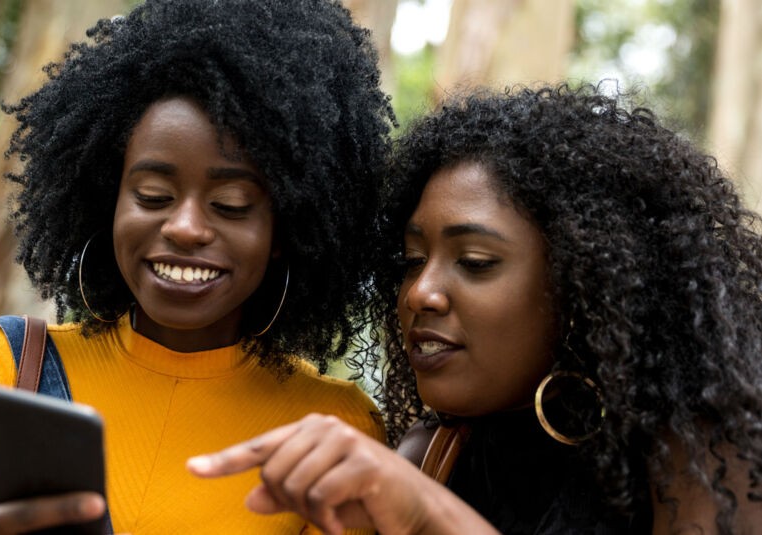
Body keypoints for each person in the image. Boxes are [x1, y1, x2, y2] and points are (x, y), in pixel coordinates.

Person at [0, 0, 395, 532]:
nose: (185, 227)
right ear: (107, 199)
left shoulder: (338, 431)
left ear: (285, 230)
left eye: (230, 204)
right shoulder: (3, 367)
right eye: (153, 195)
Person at [188, 83, 762, 534]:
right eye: (412, 260)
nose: (420, 292)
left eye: (476, 261)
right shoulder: (430, 455)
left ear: (582, 283)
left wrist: (429, 515)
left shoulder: (702, 449)